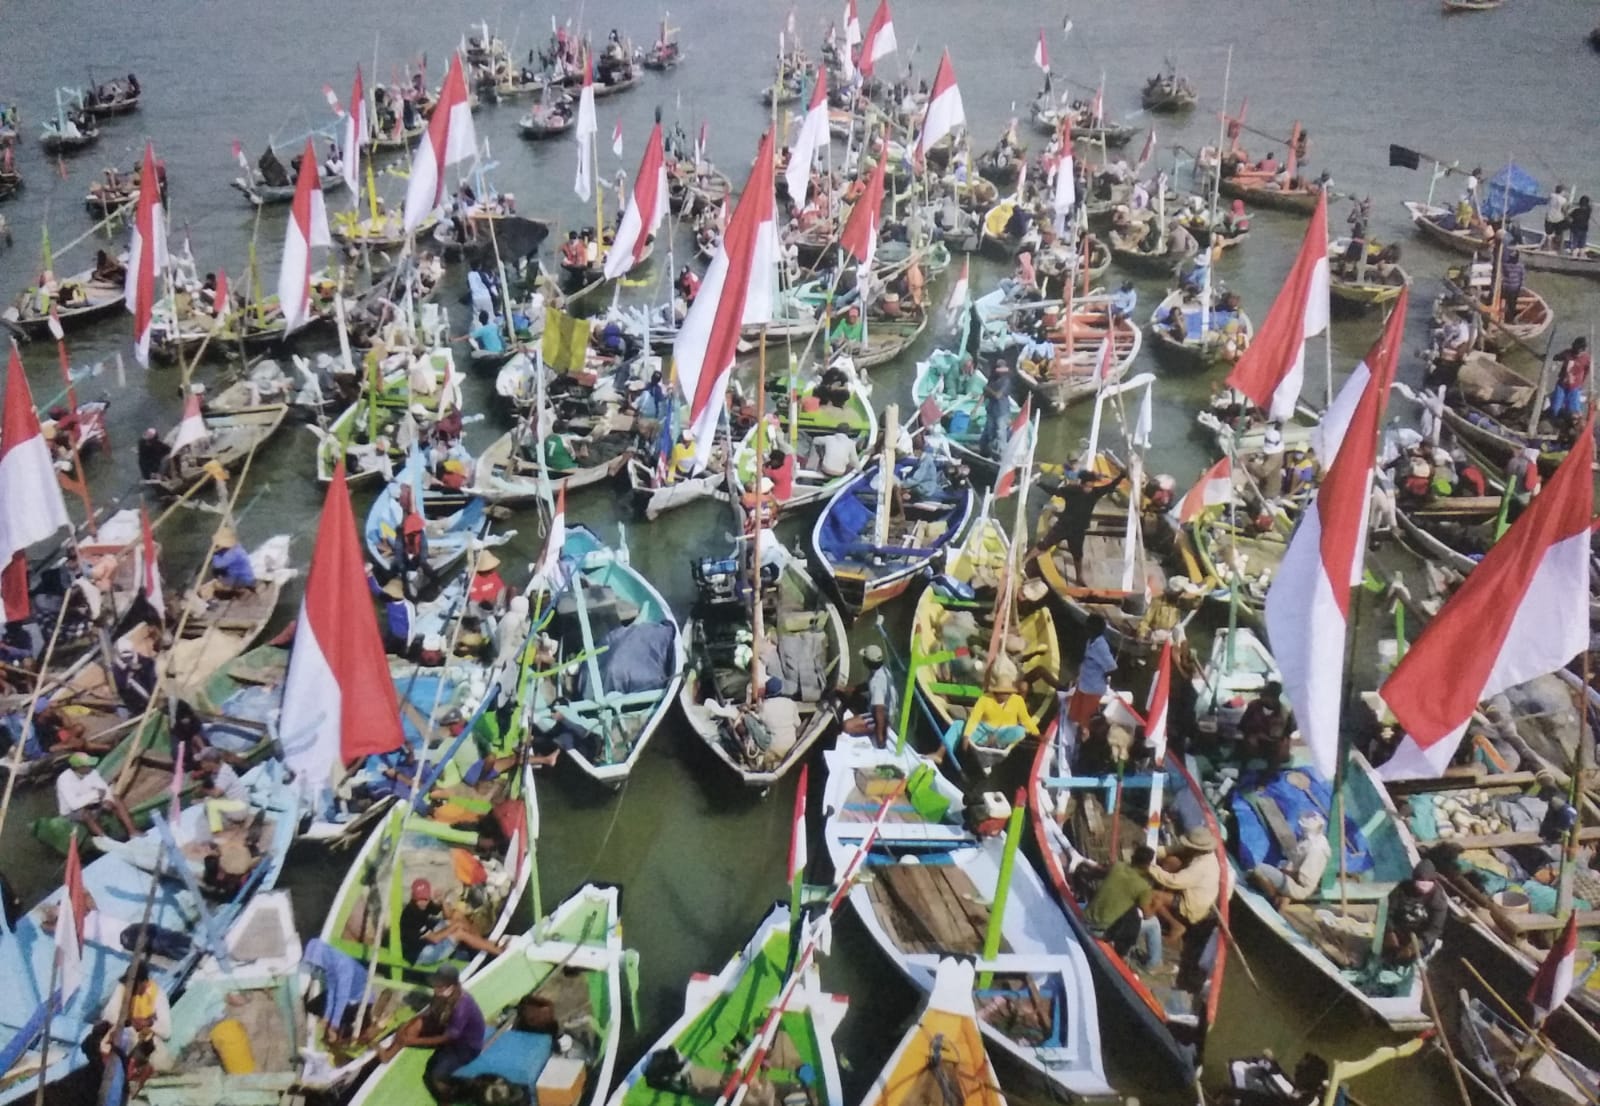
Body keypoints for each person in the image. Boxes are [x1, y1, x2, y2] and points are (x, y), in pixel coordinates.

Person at [375, 964, 486, 1101]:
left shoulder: (462, 1007)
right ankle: (388, 1054)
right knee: (413, 1026)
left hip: (464, 1047)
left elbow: (449, 1037)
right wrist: (408, 1024)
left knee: (435, 1076)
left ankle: (448, 1099)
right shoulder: (440, 993)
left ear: (451, 987)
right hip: (446, 1028)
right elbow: (430, 1011)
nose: (435, 988)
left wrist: (414, 1041)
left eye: (439, 986)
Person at [1031, 467, 1125, 586]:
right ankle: (1025, 561)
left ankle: (1079, 578)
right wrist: (1040, 484)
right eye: (1088, 486)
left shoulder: (1094, 493)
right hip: (1064, 526)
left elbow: (1110, 487)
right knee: (1044, 545)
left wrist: (1121, 476)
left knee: (1077, 555)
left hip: (1077, 530)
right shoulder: (1073, 491)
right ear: (1083, 484)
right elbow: (1055, 491)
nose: (1089, 488)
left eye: (1091, 486)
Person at [1147, 826, 1222, 945]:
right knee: (1171, 861)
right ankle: (1161, 904)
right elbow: (1169, 850)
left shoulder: (1202, 866)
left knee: (1152, 895)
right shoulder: (1197, 852)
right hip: (1189, 888)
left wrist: (1151, 868)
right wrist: (1149, 853)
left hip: (1193, 903)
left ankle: (1175, 925)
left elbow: (1174, 881)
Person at [1249, 812, 1331, 908]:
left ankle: (1274, 901)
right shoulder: (1314, 840)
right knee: (1258, 875)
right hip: (1292, 879)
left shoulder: (1316, 849)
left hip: (1298, 887)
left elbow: (1304, 880)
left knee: (1259, 869)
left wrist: (1284, 873)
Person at [103, 964, 173, 1074]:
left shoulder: (158, 995)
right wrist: (130, 1022)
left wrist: (148, 1023)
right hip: (124, 1035)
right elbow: (109, 1015)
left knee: (160, 1060)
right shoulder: (122, 988)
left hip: (145, 1042)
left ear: (143, 982)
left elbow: (166, 1032)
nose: (130, 988)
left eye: (134, 985)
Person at [1382, 860, 1447, 965]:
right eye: (1421, 880)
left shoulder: (1439, 900)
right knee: (1386, 955)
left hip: (1420, 939)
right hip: (1398, 931)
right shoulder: (1402, 890)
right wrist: (1390, 932)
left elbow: (1434, 930)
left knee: (1408, 961)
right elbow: (1387, 912)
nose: (1424, 884)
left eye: (1428, 881)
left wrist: (1414, 947)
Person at [57, 752, 138, 837]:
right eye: (87, 765)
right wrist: (95, 794)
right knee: (85, 813)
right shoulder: (64, 779)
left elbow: (104, 788)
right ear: (79, 768)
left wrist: (108, 800)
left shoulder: (93, 772)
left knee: (115, 799)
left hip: (92, 804)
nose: (91, 766)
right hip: (71, 812)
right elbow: (74, 804)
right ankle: (105, 839)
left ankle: (133, 832)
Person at [961, 673, 1039, 754]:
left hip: (1004, 733)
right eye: (1003, 692)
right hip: (984, 731)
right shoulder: (984, 698)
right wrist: (966, 735)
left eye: (1008, 693)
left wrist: (1037, 734)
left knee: (1020, 731)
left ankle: (996, 744)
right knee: (960, 725)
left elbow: (1025, 719)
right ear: (997, 692)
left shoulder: (1018, 700)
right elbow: (974, 718)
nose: (1006, 695)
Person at [842, 644, 896, 747]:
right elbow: (867, 685)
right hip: (887, 709)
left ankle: (877, 729)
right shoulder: (883, 670)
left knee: (847, 726)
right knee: (854, 697)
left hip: (883, 717)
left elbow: (879, 710)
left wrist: (880, 737)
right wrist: (848, 689)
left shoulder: (876, 682)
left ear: (867, 662)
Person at [196, 747, 250, 834]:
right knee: (209, 801)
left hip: (239, 810)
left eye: (203, 762)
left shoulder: (224, 773)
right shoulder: (218, 769)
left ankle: (224, 829)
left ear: (210, 762)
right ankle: (227, 823)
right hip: (238, 805)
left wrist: (202, 790)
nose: (201, 765)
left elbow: (216, 794)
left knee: (209, 803)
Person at [1238, 681, 1291, 765]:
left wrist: (1281, 743)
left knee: (1280, 753)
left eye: (1267, 695)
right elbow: (1242, 725)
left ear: (1275, 698)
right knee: (1245, 748)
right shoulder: (1253, 706)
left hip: (1273, 744)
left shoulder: (1284, 713)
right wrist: (1251, 735)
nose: (1262, 697)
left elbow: (1286, 733)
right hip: (1255, 741)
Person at [1548, 337, 1590, 422]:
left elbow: (1587, 372)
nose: (1575, 352)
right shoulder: (1567, 353)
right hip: (1562, 384)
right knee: (1555, 408)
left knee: (1574, 410)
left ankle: (1574, 423)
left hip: (1574, 386)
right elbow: (1556, 357)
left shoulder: (1586, 358)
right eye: (1574, 347)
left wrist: (1581, 384)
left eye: (1578, 349)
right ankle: (1553, 421)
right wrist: (1550, 357)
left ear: (1582, 350)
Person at [209, 529, 257, 595]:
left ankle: (238, 591)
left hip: (243, 579)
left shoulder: (232, 553)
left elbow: (217, 564)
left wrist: (215, 554)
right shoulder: (237, 546)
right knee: (218, 573)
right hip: (246, 575)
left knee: (216, 585)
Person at [1545, 184, 1570, 251]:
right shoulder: (1563, 200)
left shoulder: (1551, 195)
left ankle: (1549, 248)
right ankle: (1558, 247)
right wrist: (1568, 217)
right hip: (1559, 219)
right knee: (1559, 233)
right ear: (1562, 191)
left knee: (1549, 234)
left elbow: (1549, 200)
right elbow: (1564, 210)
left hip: (1549, 218)